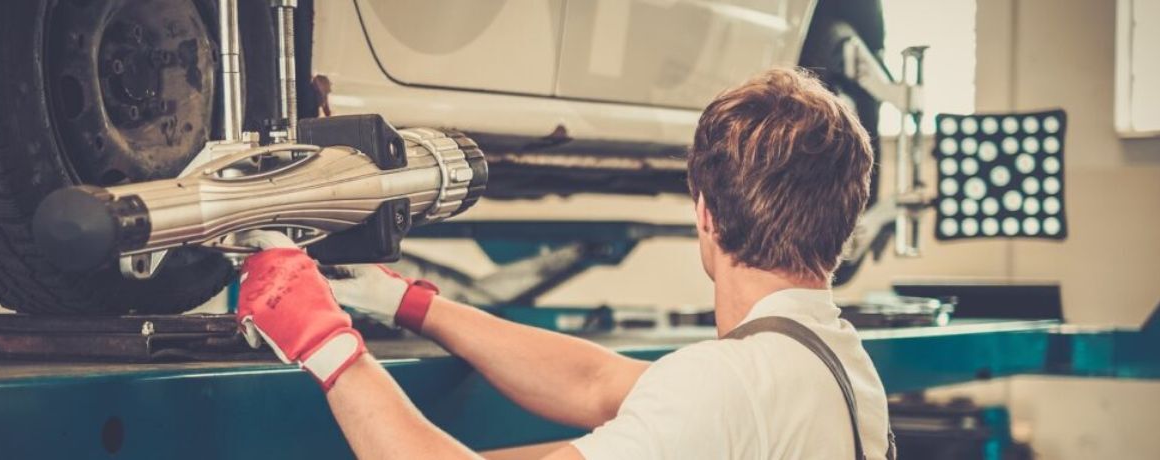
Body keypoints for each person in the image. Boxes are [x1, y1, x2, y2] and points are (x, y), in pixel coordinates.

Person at [237, 67, 892, 459]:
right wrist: (414, 305)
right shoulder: (830, 362)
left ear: (706, 214)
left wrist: (326, 344)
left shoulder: (727, 386)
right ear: (842, 220)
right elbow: (597, 383)